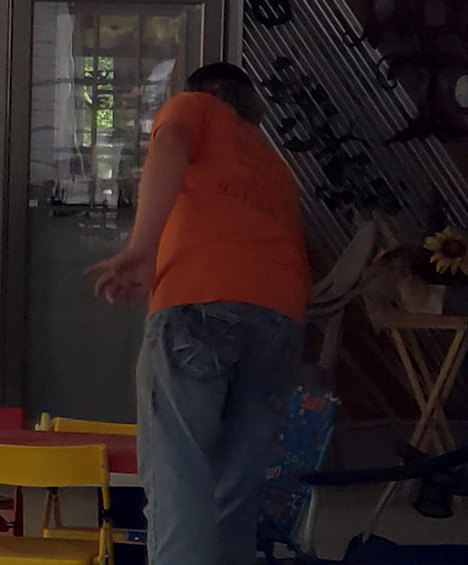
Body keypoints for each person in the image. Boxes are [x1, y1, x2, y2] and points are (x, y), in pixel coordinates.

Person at [87, 62, 310, 564]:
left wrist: (143, 248)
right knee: (235, 491)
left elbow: (169, 146)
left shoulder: (194, 107)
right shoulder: (271, 161)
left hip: (201, 306)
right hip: (279, 319)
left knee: (180, 480)